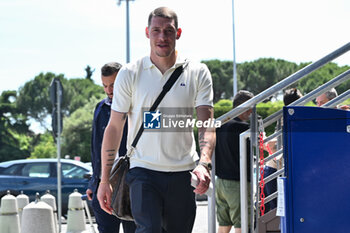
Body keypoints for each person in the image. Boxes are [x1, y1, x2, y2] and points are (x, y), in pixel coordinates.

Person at [97, 7, 215, 233]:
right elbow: (114, 127)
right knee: (148, 230)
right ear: (147, 33)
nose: (162, 37)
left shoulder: (198, 72)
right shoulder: (130, 73)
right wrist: (104, 180)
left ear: (178, 33)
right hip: (143, 171)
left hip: (184, 173)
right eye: (156, 31)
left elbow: (207, 124)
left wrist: (204, 163)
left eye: (168, 31)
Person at [86, 62, 136, 233]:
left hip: (131, 184)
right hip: (103, 185)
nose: (108, 90)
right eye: (105, 85)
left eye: (113, 85)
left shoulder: (138, 107)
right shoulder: (100, 108)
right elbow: (95, 148)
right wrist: (94, 183)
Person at [215, 90, 254, 233]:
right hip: (238, 183)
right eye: (250, 107)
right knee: (242, 223)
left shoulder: (220, 124)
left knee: (224, 223)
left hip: (220, 183)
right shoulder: (242, 128)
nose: (251, 111)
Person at [263, 88, 303, 213]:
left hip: (273, 169)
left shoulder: (283, 116)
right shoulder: (290, 118)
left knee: (276, 211)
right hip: (277, 169)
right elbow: (273, 144)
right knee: (279, 212)